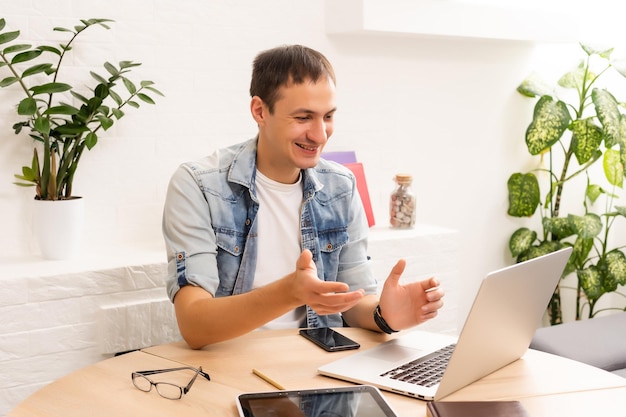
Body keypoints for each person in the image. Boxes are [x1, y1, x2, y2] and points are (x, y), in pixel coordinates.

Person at [162, 44, 444, 349]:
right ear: (260, 111)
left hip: (317, 364)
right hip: (227, 366)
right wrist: (290, 292)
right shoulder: (198, 185)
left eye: (328, 117)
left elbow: (350, 302)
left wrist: (386, 316)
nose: (320, 135)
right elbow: (194, 323)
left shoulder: (340, 186)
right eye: (303, 118)